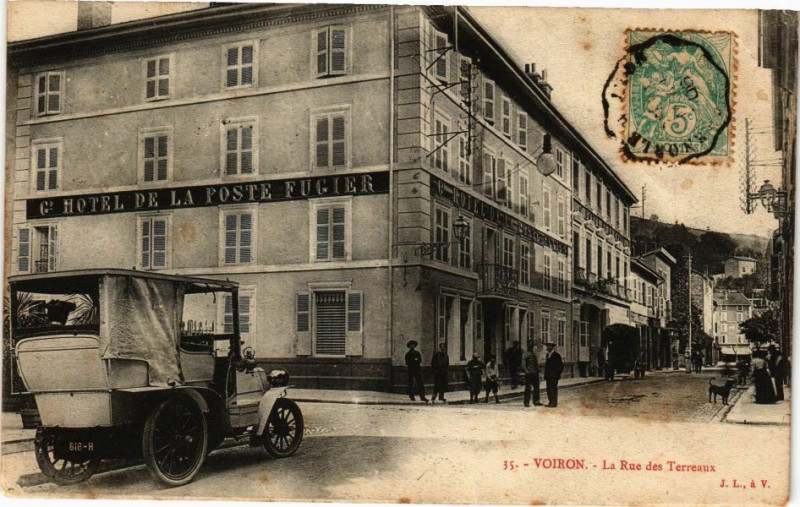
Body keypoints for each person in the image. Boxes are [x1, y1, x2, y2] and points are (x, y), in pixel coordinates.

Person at [544, 342, 563, 408]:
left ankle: (554, 403)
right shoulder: (547, 355)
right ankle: (550, 402)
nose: (547, 347)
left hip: (554, 376)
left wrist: (557, 374)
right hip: (548, 376)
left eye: (548, 346)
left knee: (553, 389)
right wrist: (545, 375)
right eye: (547, 346)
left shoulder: (556, 355)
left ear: (552, 347)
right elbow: (547, 366)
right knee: (549, 389)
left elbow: (560, 366)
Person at [523, 343, 542, 407]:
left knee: (536, 387)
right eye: (530, 346)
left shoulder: (534, 354)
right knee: (528, 388)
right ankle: (526, 402)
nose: (531, 347)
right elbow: (523, 363)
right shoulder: (525, 354)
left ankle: (536, 401)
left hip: (535, 373)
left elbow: (536, 363)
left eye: (532, 346)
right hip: (529, 373)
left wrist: (538, 371)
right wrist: (526, 370)